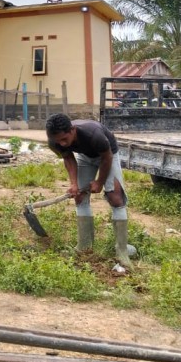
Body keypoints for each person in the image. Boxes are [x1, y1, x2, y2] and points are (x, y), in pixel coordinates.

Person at [45, 112, 132, 267]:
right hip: (85, 156)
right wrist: (73, 184)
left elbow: (107, 158)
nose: (62, 144)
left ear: (72, 130)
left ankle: (122, 251)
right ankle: (85, 246)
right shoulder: (54, 141)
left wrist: (99, 182)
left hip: (108, 154)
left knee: (115, 198)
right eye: (58, 141)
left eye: (65, 139)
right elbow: (68, 158)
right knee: (79, 197)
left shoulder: (93, 134)